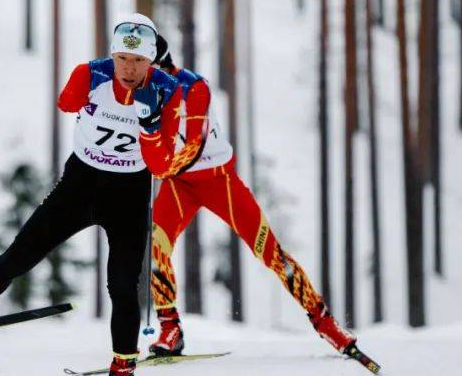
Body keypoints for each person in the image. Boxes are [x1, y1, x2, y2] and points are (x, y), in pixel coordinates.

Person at [0, 15, 181, 376]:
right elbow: (66, 103)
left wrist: (151, 124)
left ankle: (122, 373)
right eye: (122, 58)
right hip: (82, 184)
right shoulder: (93, 74)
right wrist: (86, 85)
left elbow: (160, 165)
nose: (129, 69)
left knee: (123, 285)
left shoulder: (166, 91)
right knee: (20, 254)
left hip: (129, 192)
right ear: (113, 54)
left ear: (151, 62)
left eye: (138, 61)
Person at [143, 35, 358, 359]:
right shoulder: (141, 90)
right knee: (157, 244)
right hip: (178, 185)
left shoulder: (193, 87)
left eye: (146, 66)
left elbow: (194, 147)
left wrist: (162, 165)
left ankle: (325, 323)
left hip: (218, 181)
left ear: (161, 62)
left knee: (270, 252)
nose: (141, 75)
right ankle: (169, 327)